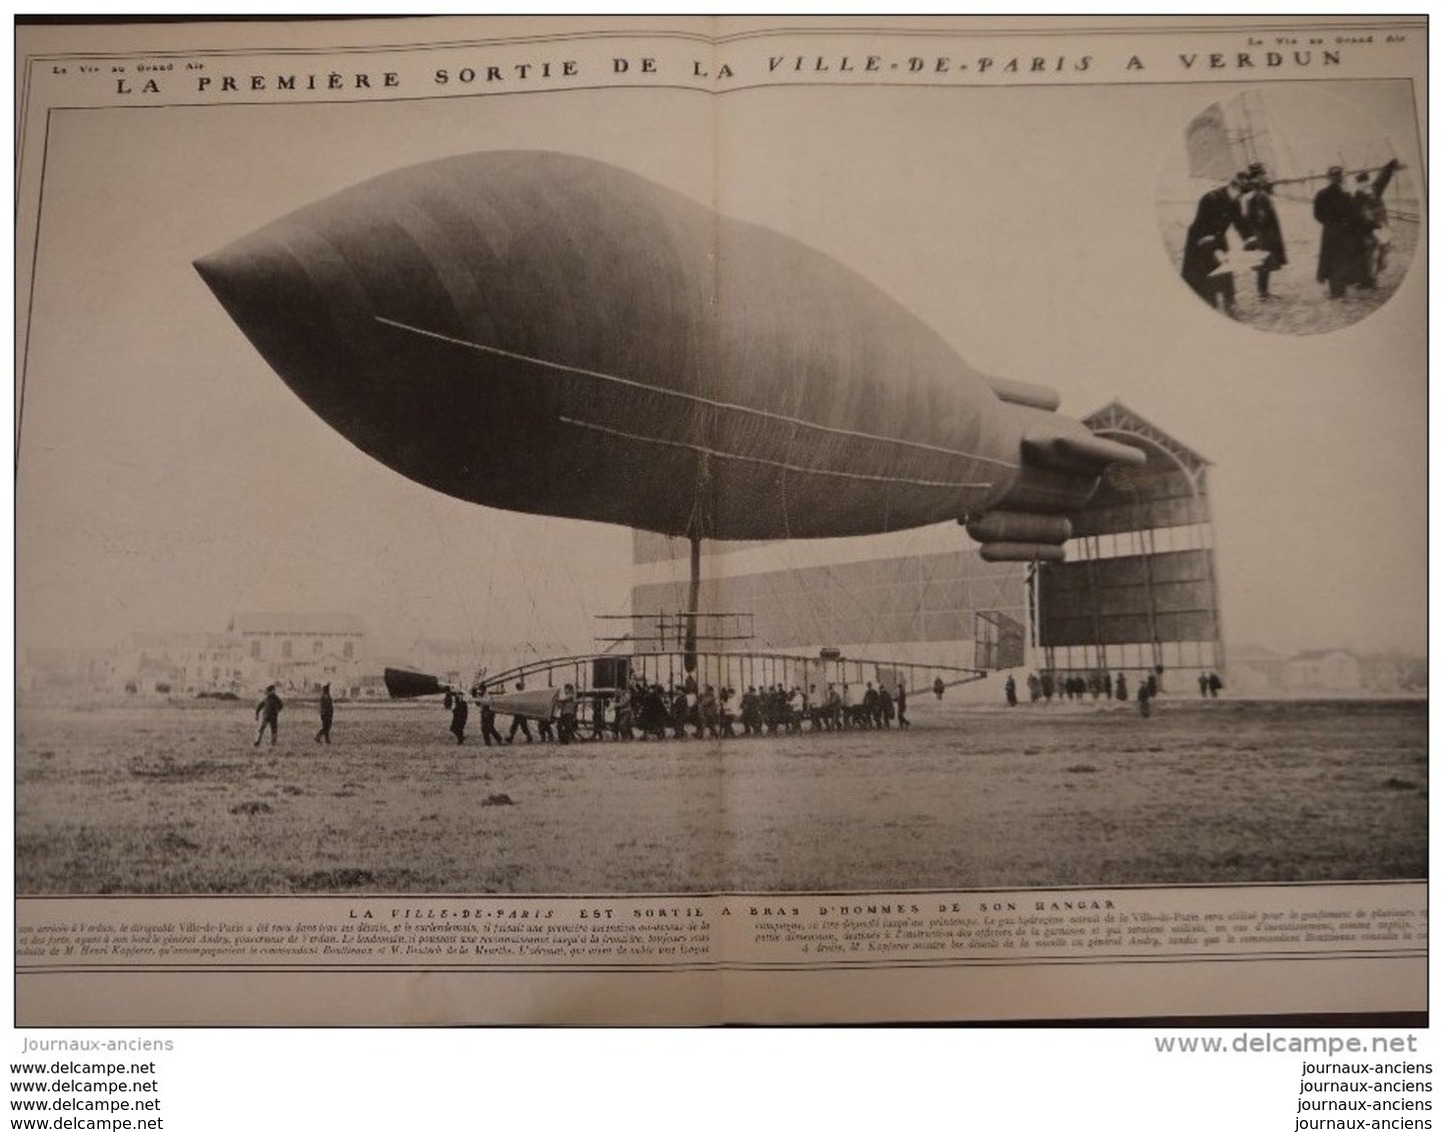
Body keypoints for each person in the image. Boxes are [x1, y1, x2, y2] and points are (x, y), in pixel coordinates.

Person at [1181, 172, 1255, 315]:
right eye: (1240, 193)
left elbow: (1240, 222)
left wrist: (1250, 240)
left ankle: (1230, 305)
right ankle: (1209, 306)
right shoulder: (1210, 199)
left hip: (1218, 238)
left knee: (1226, 271)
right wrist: (1216, 251)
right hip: (1200, 241)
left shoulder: (1235, 201)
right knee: (1205, 276)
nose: (1240, 198)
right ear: (1233, 187)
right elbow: (1203, 227)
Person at [1314, 164, 1363, 299]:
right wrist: (1345, 223)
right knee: (1341, 260)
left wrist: (1329, 223)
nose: (1337, 179)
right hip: (1343, 231)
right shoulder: (1346, 194)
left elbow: (1317, 215)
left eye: (1336, 176)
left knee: (1330, 260)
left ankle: (1335, 291)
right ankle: (1340, 291)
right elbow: (1353, 213)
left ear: (1328, 178)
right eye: (1337, 176)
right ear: (1340, 178)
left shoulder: (1321, 194)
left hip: (1330, 231)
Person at [1244, 165, 1287, 300]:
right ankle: (1262, 293)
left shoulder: (1258, 194)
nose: (1265, 176)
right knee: (1264, 262)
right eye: (1263, 174)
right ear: (1257, 177)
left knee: (1265, 263)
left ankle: (1263, 292)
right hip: (1263, 234)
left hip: (1263, 233)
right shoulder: (1258, 196)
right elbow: (1261, 217)